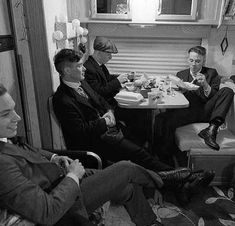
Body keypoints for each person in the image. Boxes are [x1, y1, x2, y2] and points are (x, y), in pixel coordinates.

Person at [0, 82, 171, 226]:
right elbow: (47, 212)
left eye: (14, 110)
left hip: (59, 174)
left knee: (127, 185)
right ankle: (168, 180)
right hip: (61, 199)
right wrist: (73, 176)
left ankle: (150, 219)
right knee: (126, 167)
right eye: (6, 114)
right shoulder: (2, 165)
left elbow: (30, 150)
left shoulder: (5, 138)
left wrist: (53, 157)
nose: (17, 118)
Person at [52, 48, 214, 194]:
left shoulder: (81, 82)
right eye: (79, 66)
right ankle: (186, 176)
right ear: (67, 70)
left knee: (141, 143)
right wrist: (104, 122)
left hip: (108, 129)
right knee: (140, 153)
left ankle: (179, 181)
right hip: (96, 140)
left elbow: (100, 100)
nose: (84, 68)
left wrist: (109, 111)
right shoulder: (62, 99)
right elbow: (80, 132)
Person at [155, 46, 234, 164]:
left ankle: (211, 129)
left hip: (206, 110)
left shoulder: (211, 73)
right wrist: (178, 91)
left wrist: (206, 85)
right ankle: (166, 156)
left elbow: (215, 96)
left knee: (227, 91)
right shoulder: (181, 74)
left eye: (198, 61)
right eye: (191, 60)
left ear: (203, 61)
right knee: (161, 119)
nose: (194, 64)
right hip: (188, 112)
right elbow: (177, 97)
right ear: (188, 60)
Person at [84, 36, 148, 144]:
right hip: (105, 107)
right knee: (139, 113)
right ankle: (139, 143)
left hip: (109, 102)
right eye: (108, 54)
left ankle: (141, 141)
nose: (110, 57)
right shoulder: (89, 68)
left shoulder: (99, 65)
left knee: (143, 112)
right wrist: (118, 81)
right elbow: (99, 91)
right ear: (99, 53)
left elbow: (107, 79)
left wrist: (124, 77)